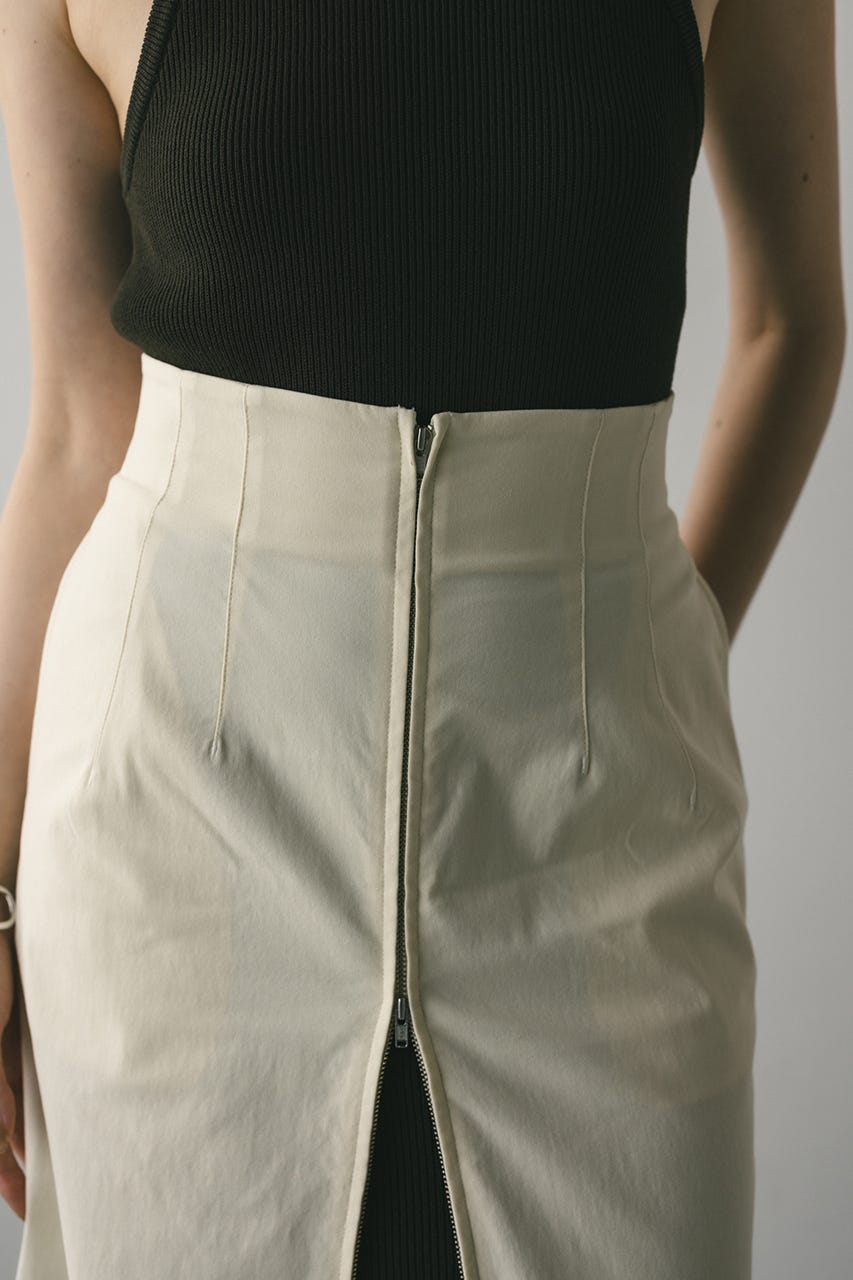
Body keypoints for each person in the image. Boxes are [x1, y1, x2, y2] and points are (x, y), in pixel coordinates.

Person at [0, 0, 845, 1277]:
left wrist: (646, 656)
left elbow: (793, 323)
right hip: (172, 854)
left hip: (601, 851)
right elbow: (75, 426)